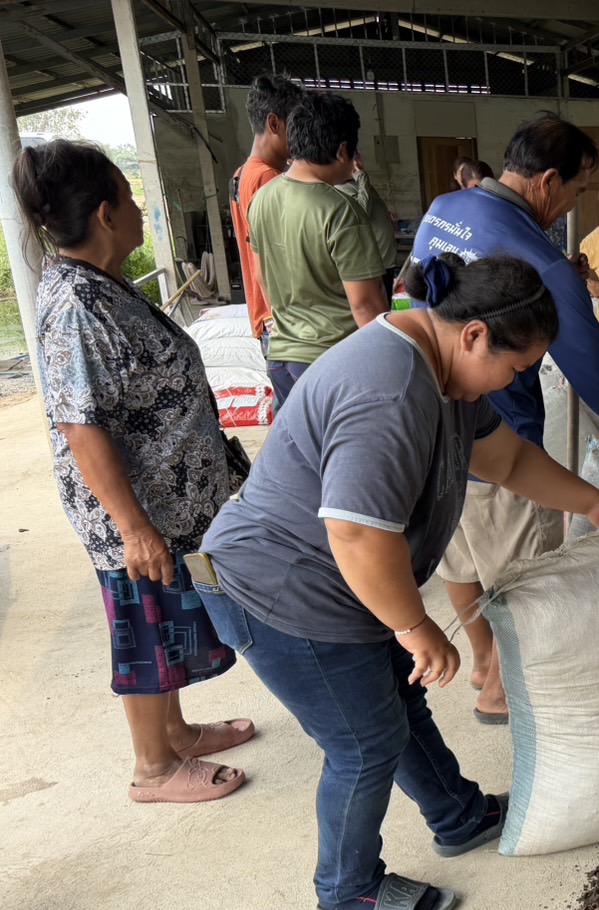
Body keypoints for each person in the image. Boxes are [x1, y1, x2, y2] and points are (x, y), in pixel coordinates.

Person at [197, 253, 599, 910]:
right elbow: (355, 535)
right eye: (516, 368)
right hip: (285, 590)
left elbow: (510, 460)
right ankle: (346, 888)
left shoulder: (445, 375)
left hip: (342, 583)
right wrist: (415, 626)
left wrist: (593, 500)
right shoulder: (389, 388)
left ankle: (458, 816)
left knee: (398, 703)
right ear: (474, 337)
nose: (515, 381)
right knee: (364, 741)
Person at [412, 113, 599, 727]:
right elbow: (588, 362)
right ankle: (502, 694)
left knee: (459, 554)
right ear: (549, 180)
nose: (573, 206)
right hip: (496, 431)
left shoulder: (443, 209)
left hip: (433, 423)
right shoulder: (537, 257)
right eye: (578, 191)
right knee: (520, 571)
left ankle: (482, 662)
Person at [19, 140, 253, 804]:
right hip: (138, 515)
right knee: (146, 624)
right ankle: (153, 767)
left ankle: (175, 735)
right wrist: (134, 528)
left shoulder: (102, 284)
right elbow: (80, 424)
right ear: (103, 214)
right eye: (130, 199)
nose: (140, 211)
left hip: (168, 507)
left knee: (168, 620)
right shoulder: (77, 307)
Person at [249, 90, 388, 408]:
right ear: (343, 151)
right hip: (331, 362)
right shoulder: (339, 209)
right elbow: (366, 307)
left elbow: (260, 275)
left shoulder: (263, 199)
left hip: (282, 360)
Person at [228, 74, 306, 355]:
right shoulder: (269, 179)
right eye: (296, 126)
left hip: (265, 316)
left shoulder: (241, 175)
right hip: (281, 322)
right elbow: (272, 265)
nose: (301, 136)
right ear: (274, 123)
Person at [337, 152, 400, 300]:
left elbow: (372, 210)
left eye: (359, 158)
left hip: (386, 258)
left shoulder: (359, 184)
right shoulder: (342, 188)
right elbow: (362, 212)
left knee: (386, 304)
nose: (360, 163)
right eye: (356, 159)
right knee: (378, 308)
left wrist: (387, 218)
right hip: (376, 262)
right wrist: (362, 177)